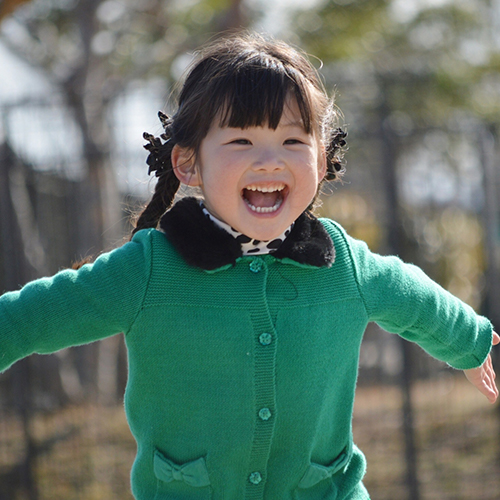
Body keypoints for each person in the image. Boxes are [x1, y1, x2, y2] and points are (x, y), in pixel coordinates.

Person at [0, 32, 498, 500]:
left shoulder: (344, 263)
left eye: (292, 142)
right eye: (241, 141)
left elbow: (412, 297)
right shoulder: (149, 269)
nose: (269, 161)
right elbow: (32, 316)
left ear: (321, 160)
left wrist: (468, 341)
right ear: (188, 163)